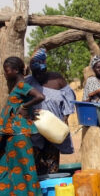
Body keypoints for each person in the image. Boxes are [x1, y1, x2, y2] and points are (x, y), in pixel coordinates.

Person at [25, 48, 76, 175]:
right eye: (35, 72)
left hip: (54, 127)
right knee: (35, 163)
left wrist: (65, 118)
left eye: (41, 72)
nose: (38, 75)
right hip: (35, 129)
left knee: (52, 162)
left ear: (45, 67)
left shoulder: (57, 79)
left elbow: (69, 99)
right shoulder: (28, 82)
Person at [0, 56, 45, 195]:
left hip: (18, 134)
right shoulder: (17, 85)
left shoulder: (21, 85)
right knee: (10, 166)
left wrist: (25, 107)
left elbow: (40, 96)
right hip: (11, 133)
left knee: (25, 168)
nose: (5, 74)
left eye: (7, 71)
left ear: (16, 70)